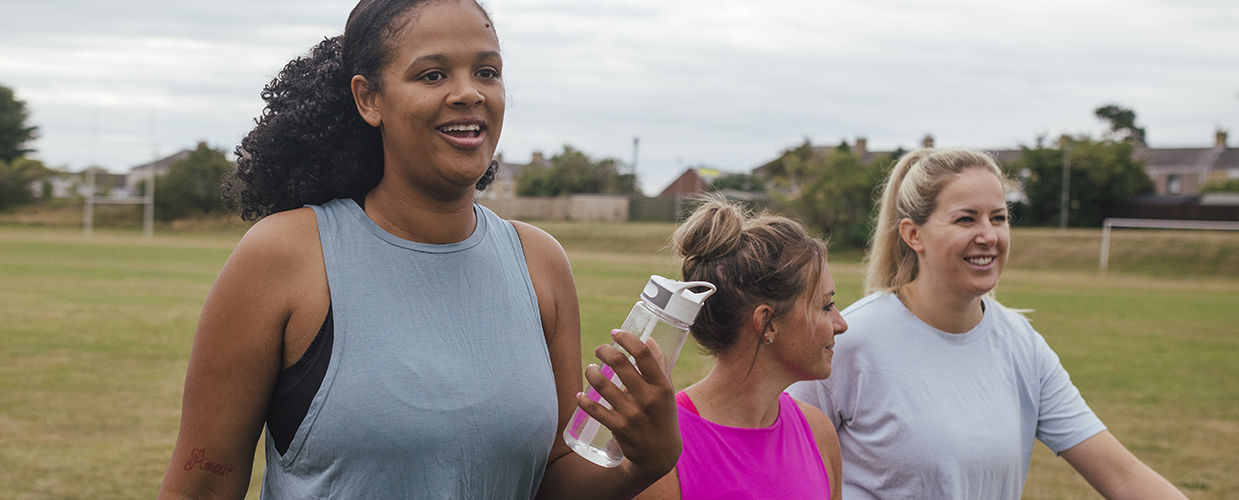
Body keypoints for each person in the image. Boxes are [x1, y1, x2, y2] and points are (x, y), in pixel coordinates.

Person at [155, 0, 681, 498]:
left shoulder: (539, 261)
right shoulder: (286, 255)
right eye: (432, 74)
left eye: (487, 72)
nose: (469, 93)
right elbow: (199, 487)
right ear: (369, 99)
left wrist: (644, 461)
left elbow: (549, 479)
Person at [787, 149, 1186, 499]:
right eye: (966, 219)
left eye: (999, 217)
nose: (988, 235)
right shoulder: (848, 339)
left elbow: (1123, 475)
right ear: (913, 234)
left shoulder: (1022, 345)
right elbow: (784, 471)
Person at [624, 199, 844, 500]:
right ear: (767, 322)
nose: (841, 323)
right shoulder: (661, 449)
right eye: (825, 306)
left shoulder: (818, 433)